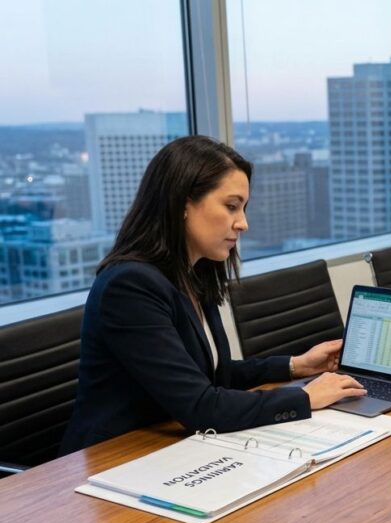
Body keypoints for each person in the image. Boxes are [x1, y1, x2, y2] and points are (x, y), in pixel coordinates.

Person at [60, 136, 366, 454]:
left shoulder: (194, 273)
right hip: (114, 458)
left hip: (171, 446)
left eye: (243, 208)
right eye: (231, 206)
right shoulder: (129, 287)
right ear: (181, 204)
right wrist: (304, 397)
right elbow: (201, 408)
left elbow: (210, 375)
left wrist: (294, 366)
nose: (243, 223)